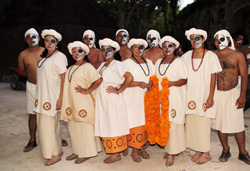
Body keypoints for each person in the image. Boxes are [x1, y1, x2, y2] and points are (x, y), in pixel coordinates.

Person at [182, 28, 222, 164]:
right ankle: (198, 149)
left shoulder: (211, 56)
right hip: (190, 95)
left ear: (203, 39)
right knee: (193, 124)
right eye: (192, 39)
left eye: (197, 38)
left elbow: (213, 77)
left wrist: (210, 97)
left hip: (204, 95)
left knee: (203, 124)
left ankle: (206, 152)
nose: (194, 42)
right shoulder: (186, 56)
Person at [60, 41, 103, 164]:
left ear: (84, 53)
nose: (76, 53)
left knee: (84, 127)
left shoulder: (88, 67)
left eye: (79, 51)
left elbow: (99, 80)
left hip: (83, 102)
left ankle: (86, 152)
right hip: (72, 102)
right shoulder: (71, 67)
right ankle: (77, 150)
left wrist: (87, 90)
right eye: (73, 51)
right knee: (73, 126)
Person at [212, 29, 250, 164]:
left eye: (221, 39)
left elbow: (245, 77)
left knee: (238, 125)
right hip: (217, 94)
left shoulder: (237, 55)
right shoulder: (212, 56)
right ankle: (226, 150)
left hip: (233, 93)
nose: (218, 42)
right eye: (216, 40)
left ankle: (243, 152)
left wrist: (242, 96)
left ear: (228, 39)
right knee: (221, 124)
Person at [95, 38, 133, 163]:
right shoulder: (102, 65)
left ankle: (115, 153)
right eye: (104, 50)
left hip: (112, 100)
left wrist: (119, 90)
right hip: (103, 100)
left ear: (115, 51)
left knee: (113, 125)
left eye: (109, 50)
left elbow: (129, 77)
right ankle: (120, 148)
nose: (106, 52)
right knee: (107, 124)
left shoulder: (118, 64)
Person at [35, 29, 68, 166]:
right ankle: (57, 150)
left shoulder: (59, 56)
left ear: (57, 42)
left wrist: (61, 98)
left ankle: (54, 154)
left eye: (52, 41)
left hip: (52, 96)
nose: (49, 44)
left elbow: (64, 78)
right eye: (47, 40)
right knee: (49, 126)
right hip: (42, 96)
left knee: (47, 126)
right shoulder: (44, 57)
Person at [155, 36, 187, 166]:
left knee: (173, 123)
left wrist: (171, 84)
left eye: (170, 46)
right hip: (161, 97)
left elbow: (184, 79)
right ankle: (170, 148)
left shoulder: (179, 61)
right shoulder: (158, 62)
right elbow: (154, 77)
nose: (167, 49)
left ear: (175, 47)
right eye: (164, 46)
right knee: (164, 122)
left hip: (174, 96)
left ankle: (171, 154)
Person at [123, 38, 154, 162]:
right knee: (135, 122)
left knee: (145, 121)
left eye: (140, 47)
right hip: (132, 97)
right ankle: (134, 151)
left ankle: (142, 147)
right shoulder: (126, 64)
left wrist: (151, 82)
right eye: (135, 47)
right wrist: (137, 84)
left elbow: (153, 77)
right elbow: (121, 82)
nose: (138, 49)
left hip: (146, 97)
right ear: (131, 48)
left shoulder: (149, 63)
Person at [18, 28, 44, 152]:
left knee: (50, 114)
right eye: (28, 37)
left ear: (39, 38)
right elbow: (22, 72)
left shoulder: (46, 52)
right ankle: (32, 140)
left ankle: (55, 137)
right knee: (32, 114)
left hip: (46, 88)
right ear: (25, 40)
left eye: (34, 36)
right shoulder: (23, 55)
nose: (31, 39)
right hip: (32, 87)